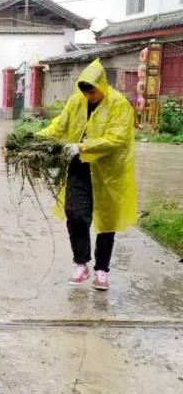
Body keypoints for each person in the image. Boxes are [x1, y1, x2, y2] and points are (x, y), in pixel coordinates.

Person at [36, 58, 137, 291]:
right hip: (79, 167)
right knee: (76, 214)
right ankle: (81, 264)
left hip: (108, 170)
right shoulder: (76, 101)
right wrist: (37, 139)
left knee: (106, 220)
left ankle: (102, 270)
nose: (89, 97)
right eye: (86, 93)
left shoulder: (119, 105)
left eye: (92, 93)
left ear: (101, 86)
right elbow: (58, 127)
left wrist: (82, 146)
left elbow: (116, 138)